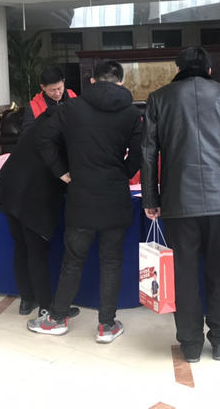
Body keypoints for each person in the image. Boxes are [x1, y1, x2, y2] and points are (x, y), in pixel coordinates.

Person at [141, 47, 220, 363]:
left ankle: (190, 345)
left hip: (177, 202)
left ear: (178, 68)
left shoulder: (158, 99)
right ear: (208, 69)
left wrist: (150, 198)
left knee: (184, 275)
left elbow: (148, 153)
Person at [29, 60, 142, 343]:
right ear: (120, 82)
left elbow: (43, 138)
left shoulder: (71, 108)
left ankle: (57, 319)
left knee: (73, 261)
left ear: (92, 81)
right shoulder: (131, 113)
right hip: (115, 196)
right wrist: (123, 173)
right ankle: (106, 326)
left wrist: (62, 172)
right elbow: (141, 153)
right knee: (111, 261)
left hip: (81, 195)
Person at [0, 106, 79, 319]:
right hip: (31, 199)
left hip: (9, 193)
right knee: (36, 252)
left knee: (21, 247)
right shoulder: (57, 137)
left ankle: (26, 300)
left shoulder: (38, 126)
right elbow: (62, 171)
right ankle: (46, 306)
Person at [21, 65, 77, 133]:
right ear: (43, 87)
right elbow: (27, 134)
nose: (57, 93)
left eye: (59, 88)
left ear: (63, 82)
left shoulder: (73, 96)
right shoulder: (33, 107)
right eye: (52, 90)